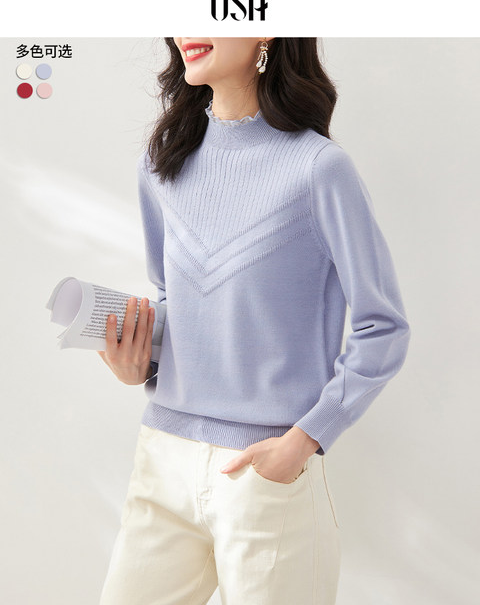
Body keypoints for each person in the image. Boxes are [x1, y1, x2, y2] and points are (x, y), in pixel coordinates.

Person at [97, 37, 411, 605]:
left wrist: (303, 441)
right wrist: (140, 363)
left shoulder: (318, 168)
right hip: (163, 455)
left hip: (265, 473)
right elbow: (174, 299)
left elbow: (382, 326)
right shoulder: (162, 161)